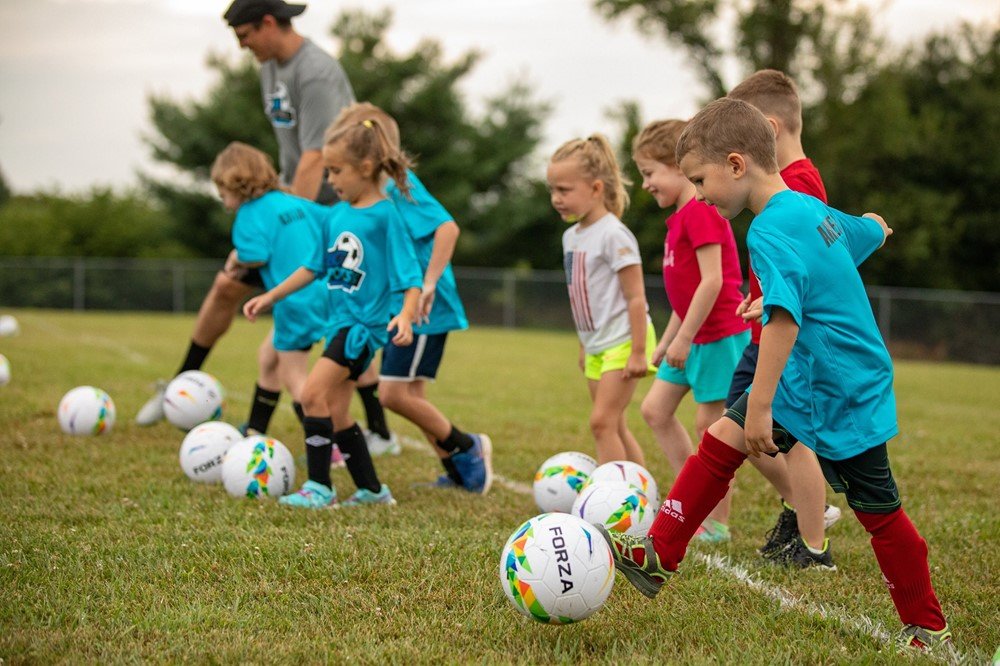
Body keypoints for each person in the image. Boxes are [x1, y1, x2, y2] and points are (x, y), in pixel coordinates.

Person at [598, 98, 951, 651]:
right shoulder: (808, 209)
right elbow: (857, 236)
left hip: (841, 388)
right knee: (721, 439)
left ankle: (926, 624)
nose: (700, 194)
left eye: (701, 180)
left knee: (879, 511)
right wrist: (878, 227)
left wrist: (760, 404)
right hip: (809, 378)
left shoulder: (766, 230)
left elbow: (785, 319)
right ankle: (659, 553)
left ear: (737, 165)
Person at [137, 0, 394, 450]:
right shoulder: (269, 69)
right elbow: (291, 150)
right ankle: (182, 386)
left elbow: (314, 157)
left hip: (330, 214)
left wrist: (287, 223)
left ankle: (366, 433)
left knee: (343, 324)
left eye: (246, 36)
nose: (243, 47)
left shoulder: (316, 73)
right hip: (296, 210)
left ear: (269, 23)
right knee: (235, 295)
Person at [243, 115, 423, 508]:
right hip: (337, 325)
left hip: (361, 330)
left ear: (366, 167)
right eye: (327, 170)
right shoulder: (337, 215)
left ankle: (320, 487)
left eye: (336, 171)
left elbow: (411, 277)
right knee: (338, 413)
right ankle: (373, 491)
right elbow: (313, 267)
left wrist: (406, 315)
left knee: (312, 393)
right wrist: (270, 296)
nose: (329, 179)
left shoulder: (386, 216)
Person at [331, 103, 493, 493]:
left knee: (392, 393)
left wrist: (429, 283)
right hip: (405, 306)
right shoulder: (374, 194)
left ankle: (467, 446)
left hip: (423, 307)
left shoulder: (398, 184)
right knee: (412, 395)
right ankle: (462, 472)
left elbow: (448, 228)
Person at [726, 69, 840, 568]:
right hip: (764, 332)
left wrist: (774, 300)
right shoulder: (786, 182)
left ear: (768, 130)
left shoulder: (799, 184)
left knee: (790, 440)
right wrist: (758, 296)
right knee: (745, 431)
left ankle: (813, 544)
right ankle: (804, 509)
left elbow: (813, 264)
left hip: (786, 339)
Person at [632, 120, 750, 544]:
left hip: (717, 336)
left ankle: (715, 520)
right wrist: (668, 341)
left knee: (711, 428)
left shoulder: (701, 212)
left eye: (650, 173)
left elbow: (712, 281)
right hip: (690, 338)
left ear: (678, 166)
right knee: (655, 410)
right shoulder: (679, 220)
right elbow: (686, 297)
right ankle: (690, 497)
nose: (646, 184)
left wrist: (682, 340)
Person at [548, 135, 655, 465]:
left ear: (596, 188)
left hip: (624, 342)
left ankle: (611, 491)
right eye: (552, 190)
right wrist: (585, 345)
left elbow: (635, 297)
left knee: (602, 423)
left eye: (564, 190)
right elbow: (583, 297)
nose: (556, 199)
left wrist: (639, 351)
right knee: (614, 424)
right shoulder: (570, 236)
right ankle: (641, 488)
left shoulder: (614, 234)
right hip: (596, 346)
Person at [210, 142, 328, 432]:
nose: (224, 202)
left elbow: (256, 255)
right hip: (323, 292)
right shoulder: (292, 201)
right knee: (268, 358)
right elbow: (329, 222)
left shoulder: (249, 214)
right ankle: (255, 429)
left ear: (236, 183)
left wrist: (236, 256)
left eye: (223, 194)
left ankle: (328, 445)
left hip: (294, 300)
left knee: (294, 376)